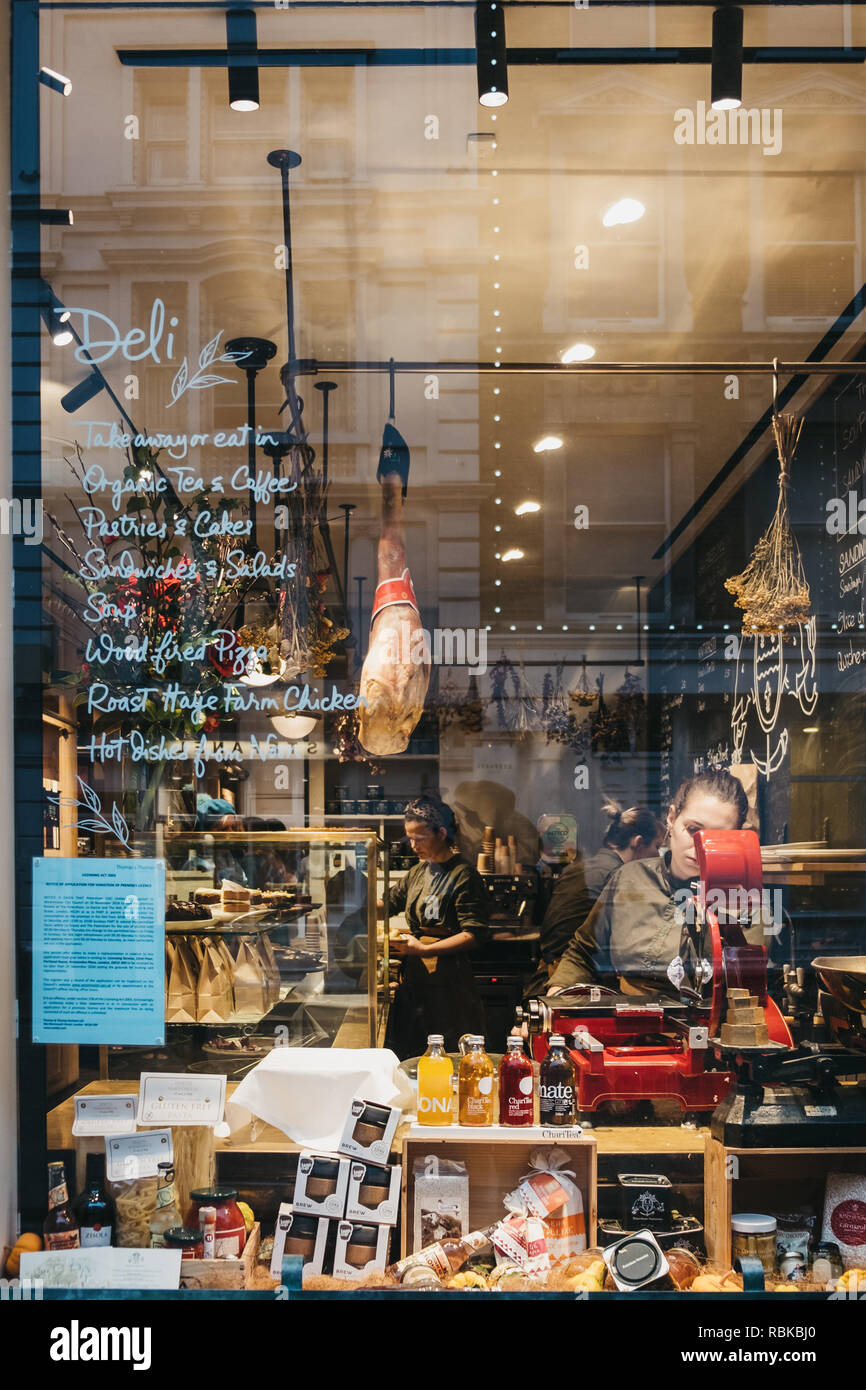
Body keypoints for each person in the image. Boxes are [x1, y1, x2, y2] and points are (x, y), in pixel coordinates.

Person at [544, 770, 761, 997]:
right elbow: (584, 953)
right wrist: (556, 1000)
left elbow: (749, 985)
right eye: (694, 830)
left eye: (717, 839)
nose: (701, 847)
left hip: (708, 1026)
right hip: (625, 1022)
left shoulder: (743, 899)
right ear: (672, 817)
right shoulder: (629, 878)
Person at [383, 795, 489, 1058]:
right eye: (409, 837)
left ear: (441, 833)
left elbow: (473, 934)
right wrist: (353, 896)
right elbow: (386, 905)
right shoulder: (418, 872)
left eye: (419, 838)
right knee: (416, 1050)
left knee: (449, 1051)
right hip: (417, 978)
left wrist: (424, 950)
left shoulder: (463, 874)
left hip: (449, 980)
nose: (412, 844)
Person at [523, 802, 663, 999]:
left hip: (544, 980)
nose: (658, 855)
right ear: (638, 842)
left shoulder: (583, 866)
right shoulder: (618, 876)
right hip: (571, 985)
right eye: (657, 846)